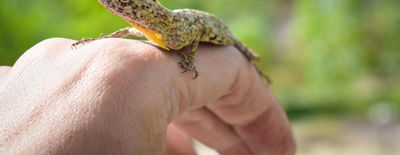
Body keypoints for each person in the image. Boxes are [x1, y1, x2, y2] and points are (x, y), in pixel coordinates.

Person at [0, 38, 296, 154]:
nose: (111, 3)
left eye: (125, 0)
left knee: (236, 47)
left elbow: (187, 39)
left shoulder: (168, 27)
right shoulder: (143, 27)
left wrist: (190, 61)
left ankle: (256, 67)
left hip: (211, 32)